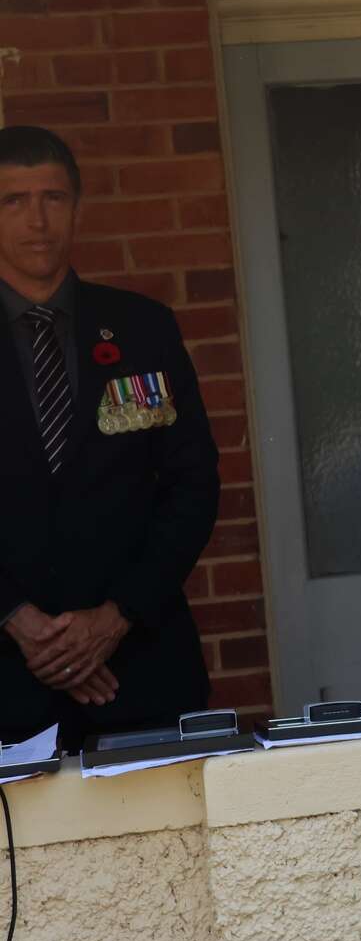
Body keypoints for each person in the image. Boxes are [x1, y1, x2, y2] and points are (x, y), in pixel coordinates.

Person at [0, 125, 219, 752]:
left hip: (141, 670)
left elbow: (193, 485)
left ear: (76, 207)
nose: (37, 219)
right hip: (8, 683)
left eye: (53, 197)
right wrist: (22, 625)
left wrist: (115, 617)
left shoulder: (143, 329)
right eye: (13, 201)